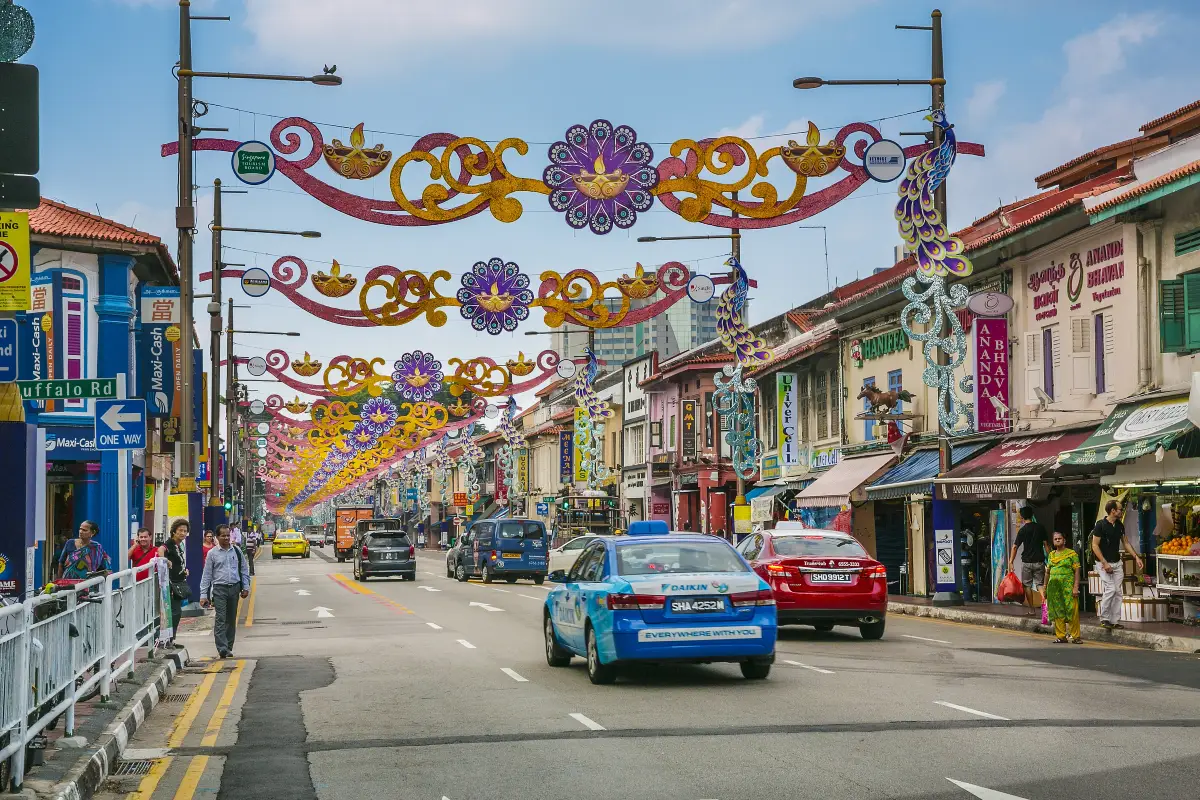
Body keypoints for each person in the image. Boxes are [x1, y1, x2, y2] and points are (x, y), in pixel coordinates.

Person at [199, 524, 251, 659]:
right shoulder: (212, 554)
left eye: (228, 535)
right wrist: (203, 595)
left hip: (234, 588)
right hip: (219, 589)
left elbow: (244, 570)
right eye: (223, 535)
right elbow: (207, 575)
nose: (226, 538)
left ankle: (228, 646)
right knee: (221, 618)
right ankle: (222, 648)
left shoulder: (237, 551)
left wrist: (246, 587)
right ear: (217, 537)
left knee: (231, 619)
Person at [1092, 499, 1143, 629]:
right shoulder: (1100, 525)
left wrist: (1136, 557)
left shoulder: (1120, 525)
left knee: (1118, 592)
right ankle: (1104, 618)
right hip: (1103, 563)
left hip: (1116, 562)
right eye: (1120, 509)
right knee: (1111, 589)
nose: (1122, 511)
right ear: (1113, 511)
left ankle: (1114, 620)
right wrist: (1104, 563)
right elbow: (1095, 545)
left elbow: (1125, 542)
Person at [1009, 507, 1049, 615]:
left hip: (1026, 562)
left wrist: (1011, 562)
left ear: (1022, 517)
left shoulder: (1023, 530)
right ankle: (1045, 604)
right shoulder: (1040, 528)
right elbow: (1046, 545)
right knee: (1040, 585)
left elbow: (1015, 547)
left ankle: (1032, 609)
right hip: (1039, 561)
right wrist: (1050, 559)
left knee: (1027, 586)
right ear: (1032, 515)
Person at [1045, 531, 1082, 643]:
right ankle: (1061, 636)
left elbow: (1077, 571)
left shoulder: (1072, 554)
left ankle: (1076, 637)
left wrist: (1075, 587)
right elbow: (1047, 572)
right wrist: (1045, 586)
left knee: (1072, 610)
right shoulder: (1051, 555)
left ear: (1064, 540)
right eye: (1055, 539)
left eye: (1059, 538)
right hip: (1054, 588)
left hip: (1068, 587)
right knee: (1057, 611)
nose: (1057, 540)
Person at [159, 519, 190, 648]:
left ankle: (171, 640)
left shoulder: (179, 545)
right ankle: (167, 640)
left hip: (178, 582)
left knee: (176, 613)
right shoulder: (170, 543)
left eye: (185, 531)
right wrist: (165, 560)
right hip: (170, 584)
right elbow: (160, 550)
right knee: (173, 612)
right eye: (180, 530)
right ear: (174, 531)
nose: (183, 533)